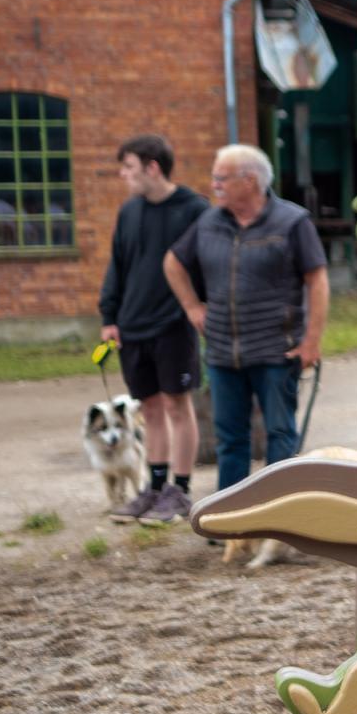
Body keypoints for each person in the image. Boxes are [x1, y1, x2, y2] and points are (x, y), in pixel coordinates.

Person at [164, 144, 328, 493]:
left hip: (276, 351)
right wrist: (193, 306)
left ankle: (278, 518)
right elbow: (173, 262)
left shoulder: (292, 222)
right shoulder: (209, 222)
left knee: (280, 435)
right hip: (224, 353)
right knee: (230, 440)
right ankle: (231, 523)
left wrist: (311, 340)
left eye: (221, 178)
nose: (214, 185)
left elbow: (317, 280)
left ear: (250, 181)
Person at [98, 134, 209, 522]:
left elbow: (206, 265)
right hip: (132, 326)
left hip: (173, 325)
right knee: (149, 407)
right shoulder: (129, 212)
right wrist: (109, 317)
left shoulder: (195, 209)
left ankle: (181, 489)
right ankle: (155, 487)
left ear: (153, 167)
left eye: (128, 167)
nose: (122, 174)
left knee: (178, 405)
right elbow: (118, 265)